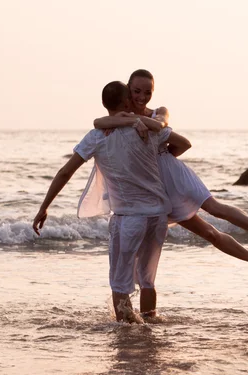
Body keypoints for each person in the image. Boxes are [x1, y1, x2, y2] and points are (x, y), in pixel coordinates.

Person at [85, 80, 248, 277]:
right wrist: (128, 120)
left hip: (172, 174)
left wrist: (161, 155)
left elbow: (163, 126)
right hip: (152, 189)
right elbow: (97, 122)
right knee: (209, 234)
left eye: (148, 92)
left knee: (215, 208)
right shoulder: (122, 118)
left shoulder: (156, 112)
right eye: (137, 91)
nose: (142, 97)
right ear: (128, 93)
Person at [32, 81, 177, 323]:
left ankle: (127, 335)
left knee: (120, 282)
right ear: (128, 101)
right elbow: (182, 143)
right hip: (158, 216)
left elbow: (65, 173)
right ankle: (149, 326)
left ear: (103, 104)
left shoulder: (97, 136)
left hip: (128, 218)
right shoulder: (148, 130)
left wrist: (44, 206)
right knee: (147, 278)